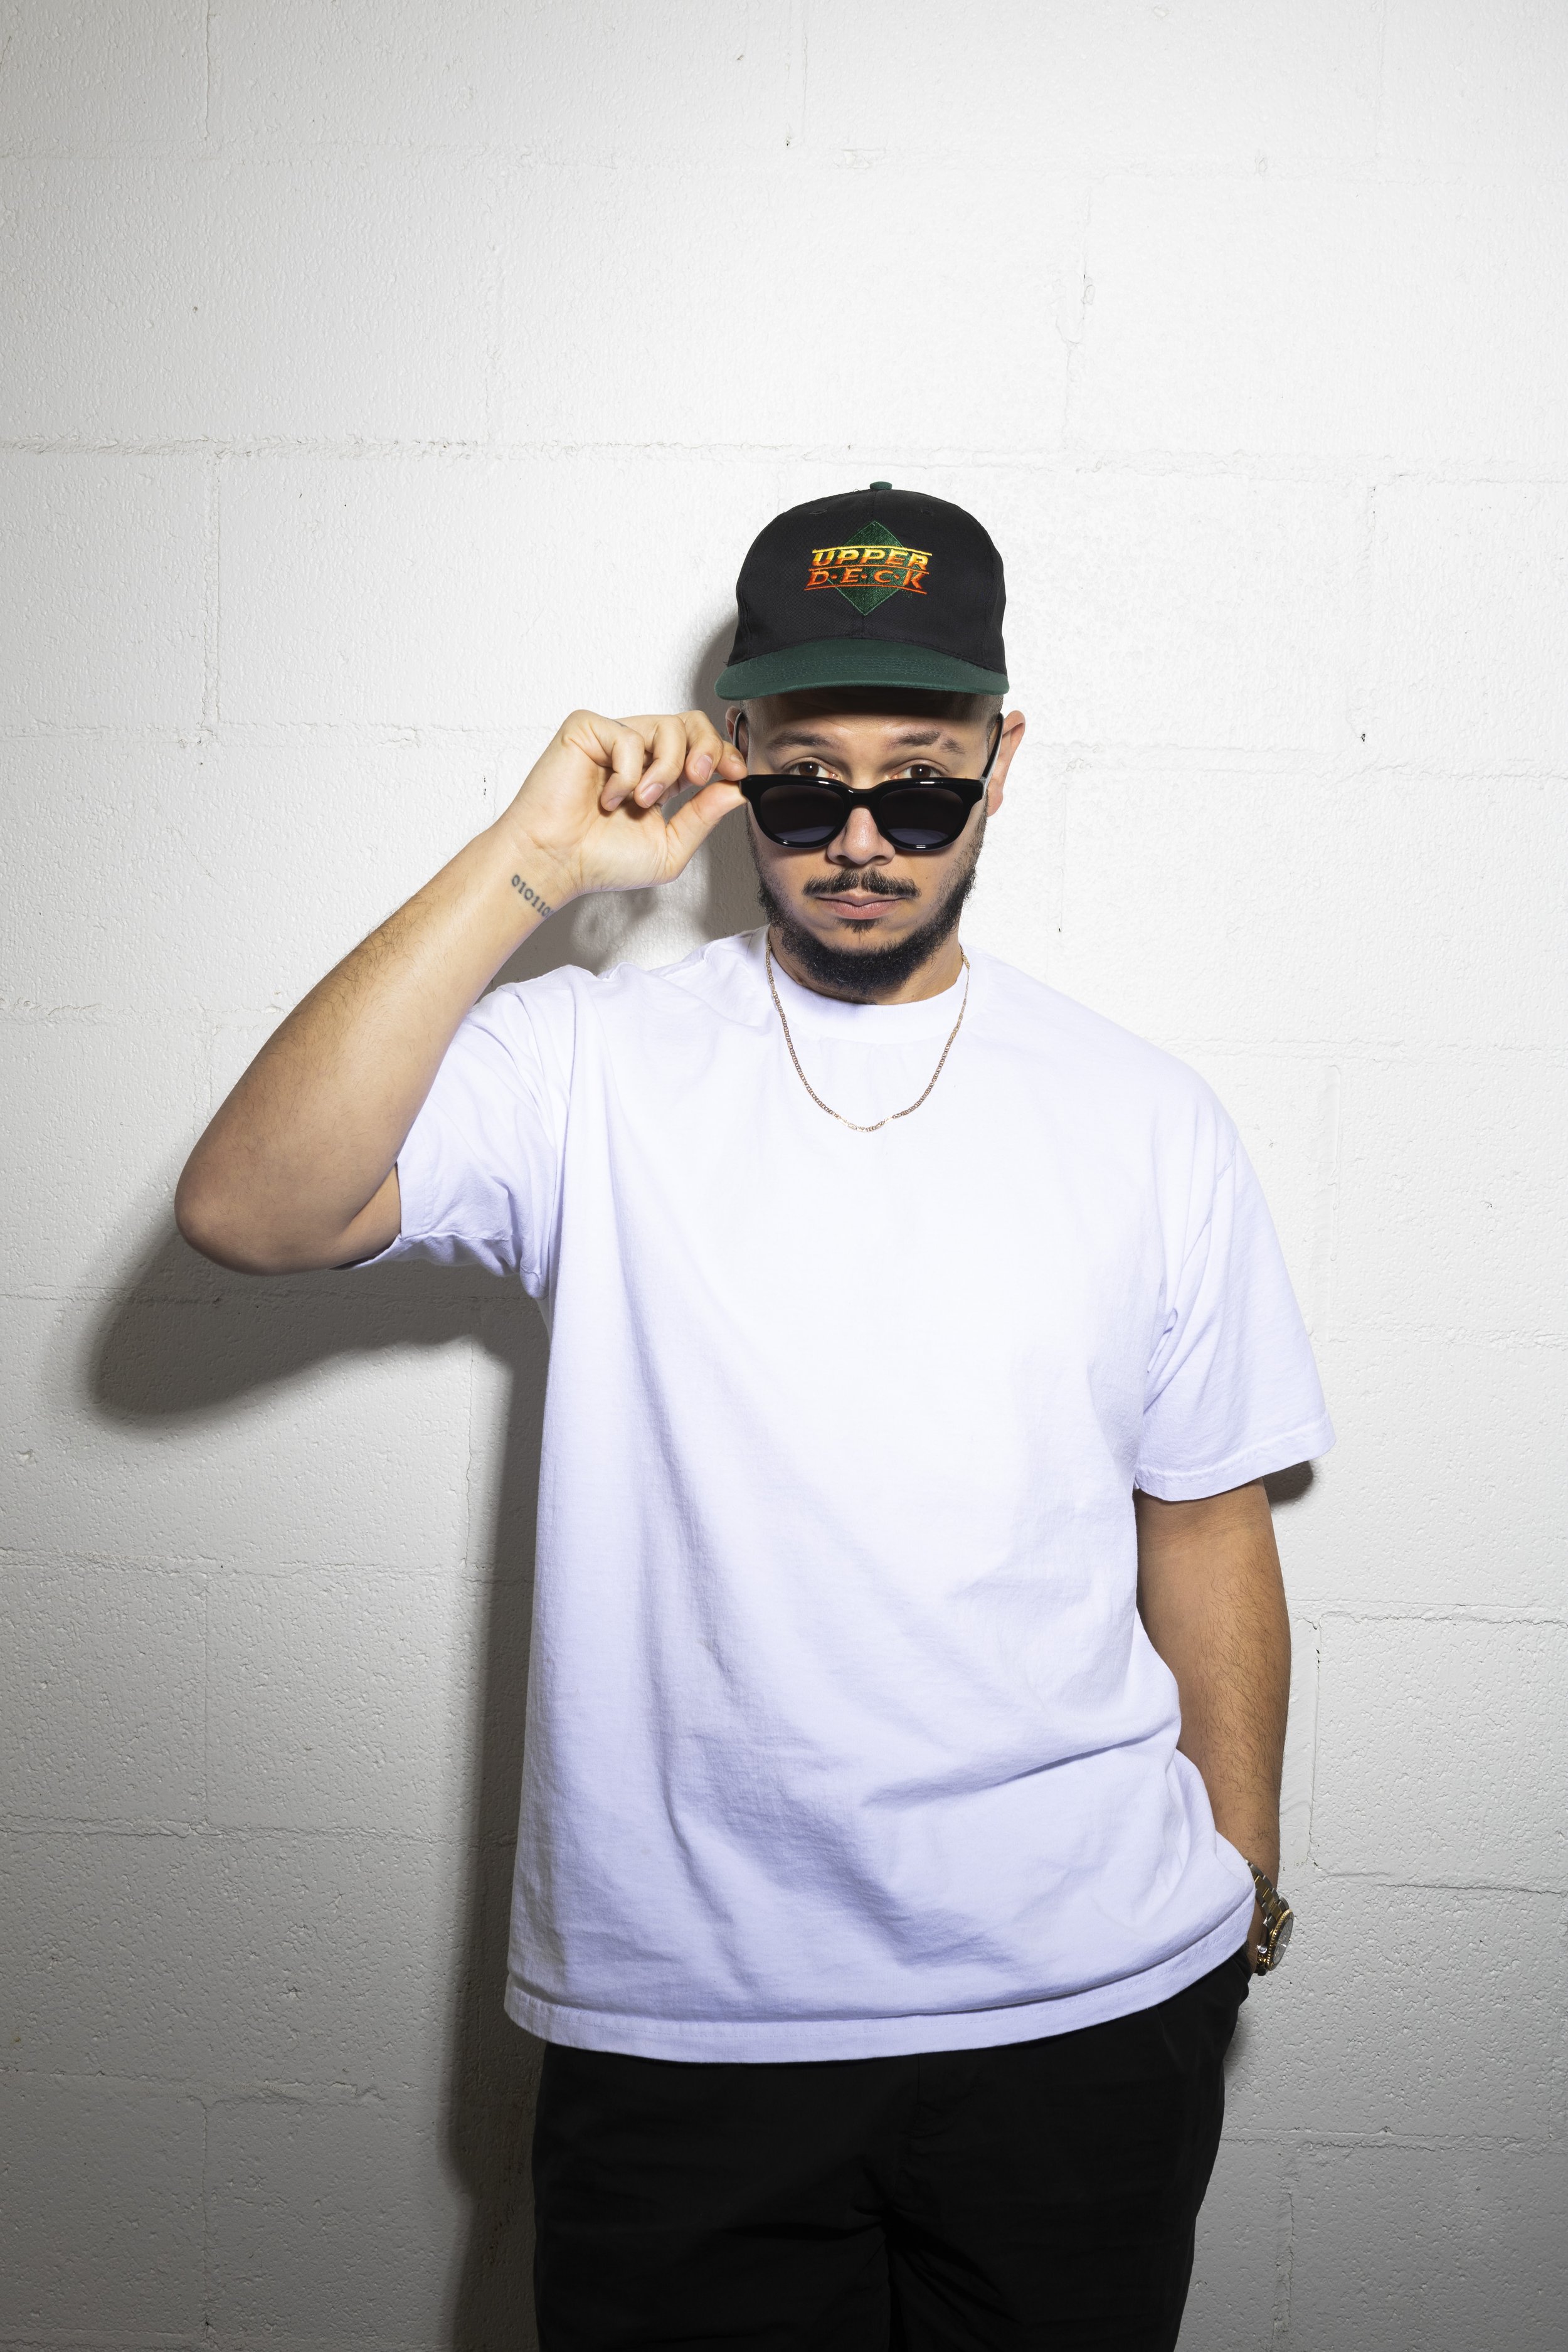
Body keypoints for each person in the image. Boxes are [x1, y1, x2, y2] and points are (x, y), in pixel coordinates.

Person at [177, 482, 1332, 2350]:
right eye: (805, 788)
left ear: (1002, 762)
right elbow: (254, 1208)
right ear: (732, 762)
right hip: (683, 2030)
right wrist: (531, 863)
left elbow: (1203, 1517)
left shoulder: (1145, 1117)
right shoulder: (583, 1065)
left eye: (921, 788)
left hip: (1090, 2012)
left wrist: (1238, 1893)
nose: (861, 840)